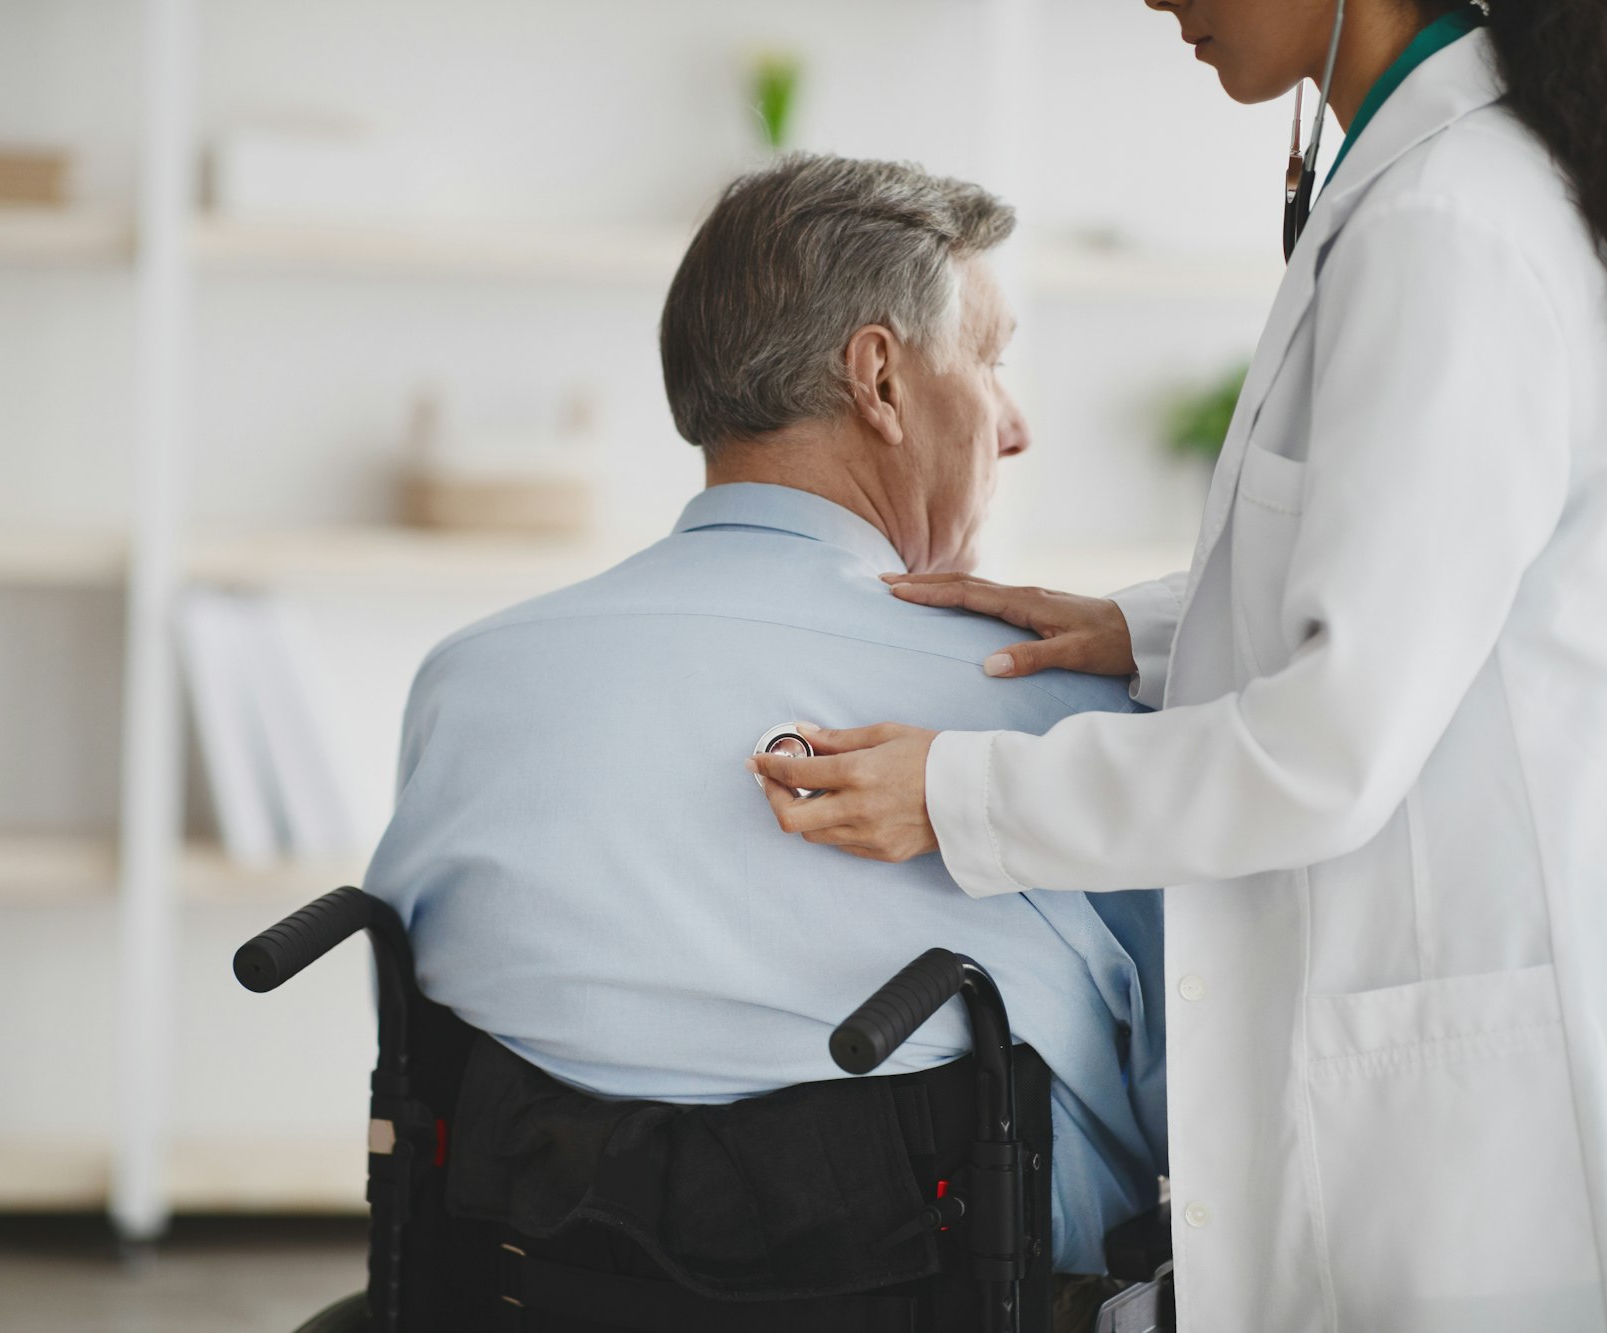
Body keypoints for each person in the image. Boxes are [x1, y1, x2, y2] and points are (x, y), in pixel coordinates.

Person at [747, 2, 1607, 1329]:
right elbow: (1431, 579)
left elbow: (1330, 746)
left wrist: (960, 796)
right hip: (1540, 1012)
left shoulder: (1450, 222)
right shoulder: (1435, 184)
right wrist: (1146, 630)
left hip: (1558, 1070)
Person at [364, 155, 1166, 1308]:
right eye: (988, 359)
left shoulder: (471, 681)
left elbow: (431, 1036)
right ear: (879, 379)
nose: (1015, 424)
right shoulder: (1040, 698)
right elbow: (1199, 1104)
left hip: (538, 1286)